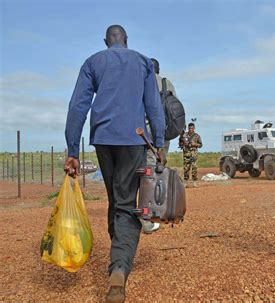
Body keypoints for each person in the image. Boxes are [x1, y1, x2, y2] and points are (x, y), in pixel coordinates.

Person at [64, 25, 166, 303]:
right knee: (125, 202)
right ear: (126, 41)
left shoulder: (93, 62)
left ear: (106, 42)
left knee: (115, 199)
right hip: (133, 139)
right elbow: (153, 105)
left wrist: (73, 148)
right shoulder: (143, 62)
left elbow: (78, 106)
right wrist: (159, 142)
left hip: (103, 139)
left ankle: (118, 254)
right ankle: (119, 267)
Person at [141, 58, 178, 234]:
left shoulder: (143, 80)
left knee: (147, 173)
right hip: (164, 135)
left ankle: (146, 218)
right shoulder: (167, 83)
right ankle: (159, 209)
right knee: (158, 171)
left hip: (147, 135)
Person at [179, 122, 203, 187]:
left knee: (194, 168)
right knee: (186, 169)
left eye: (192, 128)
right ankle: (185, 182)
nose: (190, 129)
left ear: (194, 128)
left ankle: (194, 183)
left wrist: (195, 144)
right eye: (189, 128)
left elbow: (201, 145)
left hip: (194, 155)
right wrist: (183, 143)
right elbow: (180, 144)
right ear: (188, 128)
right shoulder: (184, 135)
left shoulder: (197, 136)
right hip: (186, 155)